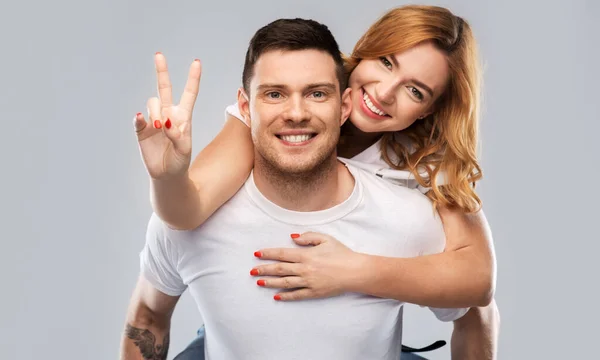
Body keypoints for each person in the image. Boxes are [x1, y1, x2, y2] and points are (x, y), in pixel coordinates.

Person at [122, 18, 498, 360]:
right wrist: (167, 177)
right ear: (363, 53)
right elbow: (185, 212)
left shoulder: (425, 167)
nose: (384, 93)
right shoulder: (272, 109)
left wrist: (353, 271)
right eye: (386, 62)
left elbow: (477, 286)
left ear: (428, 110)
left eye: (415, 90)